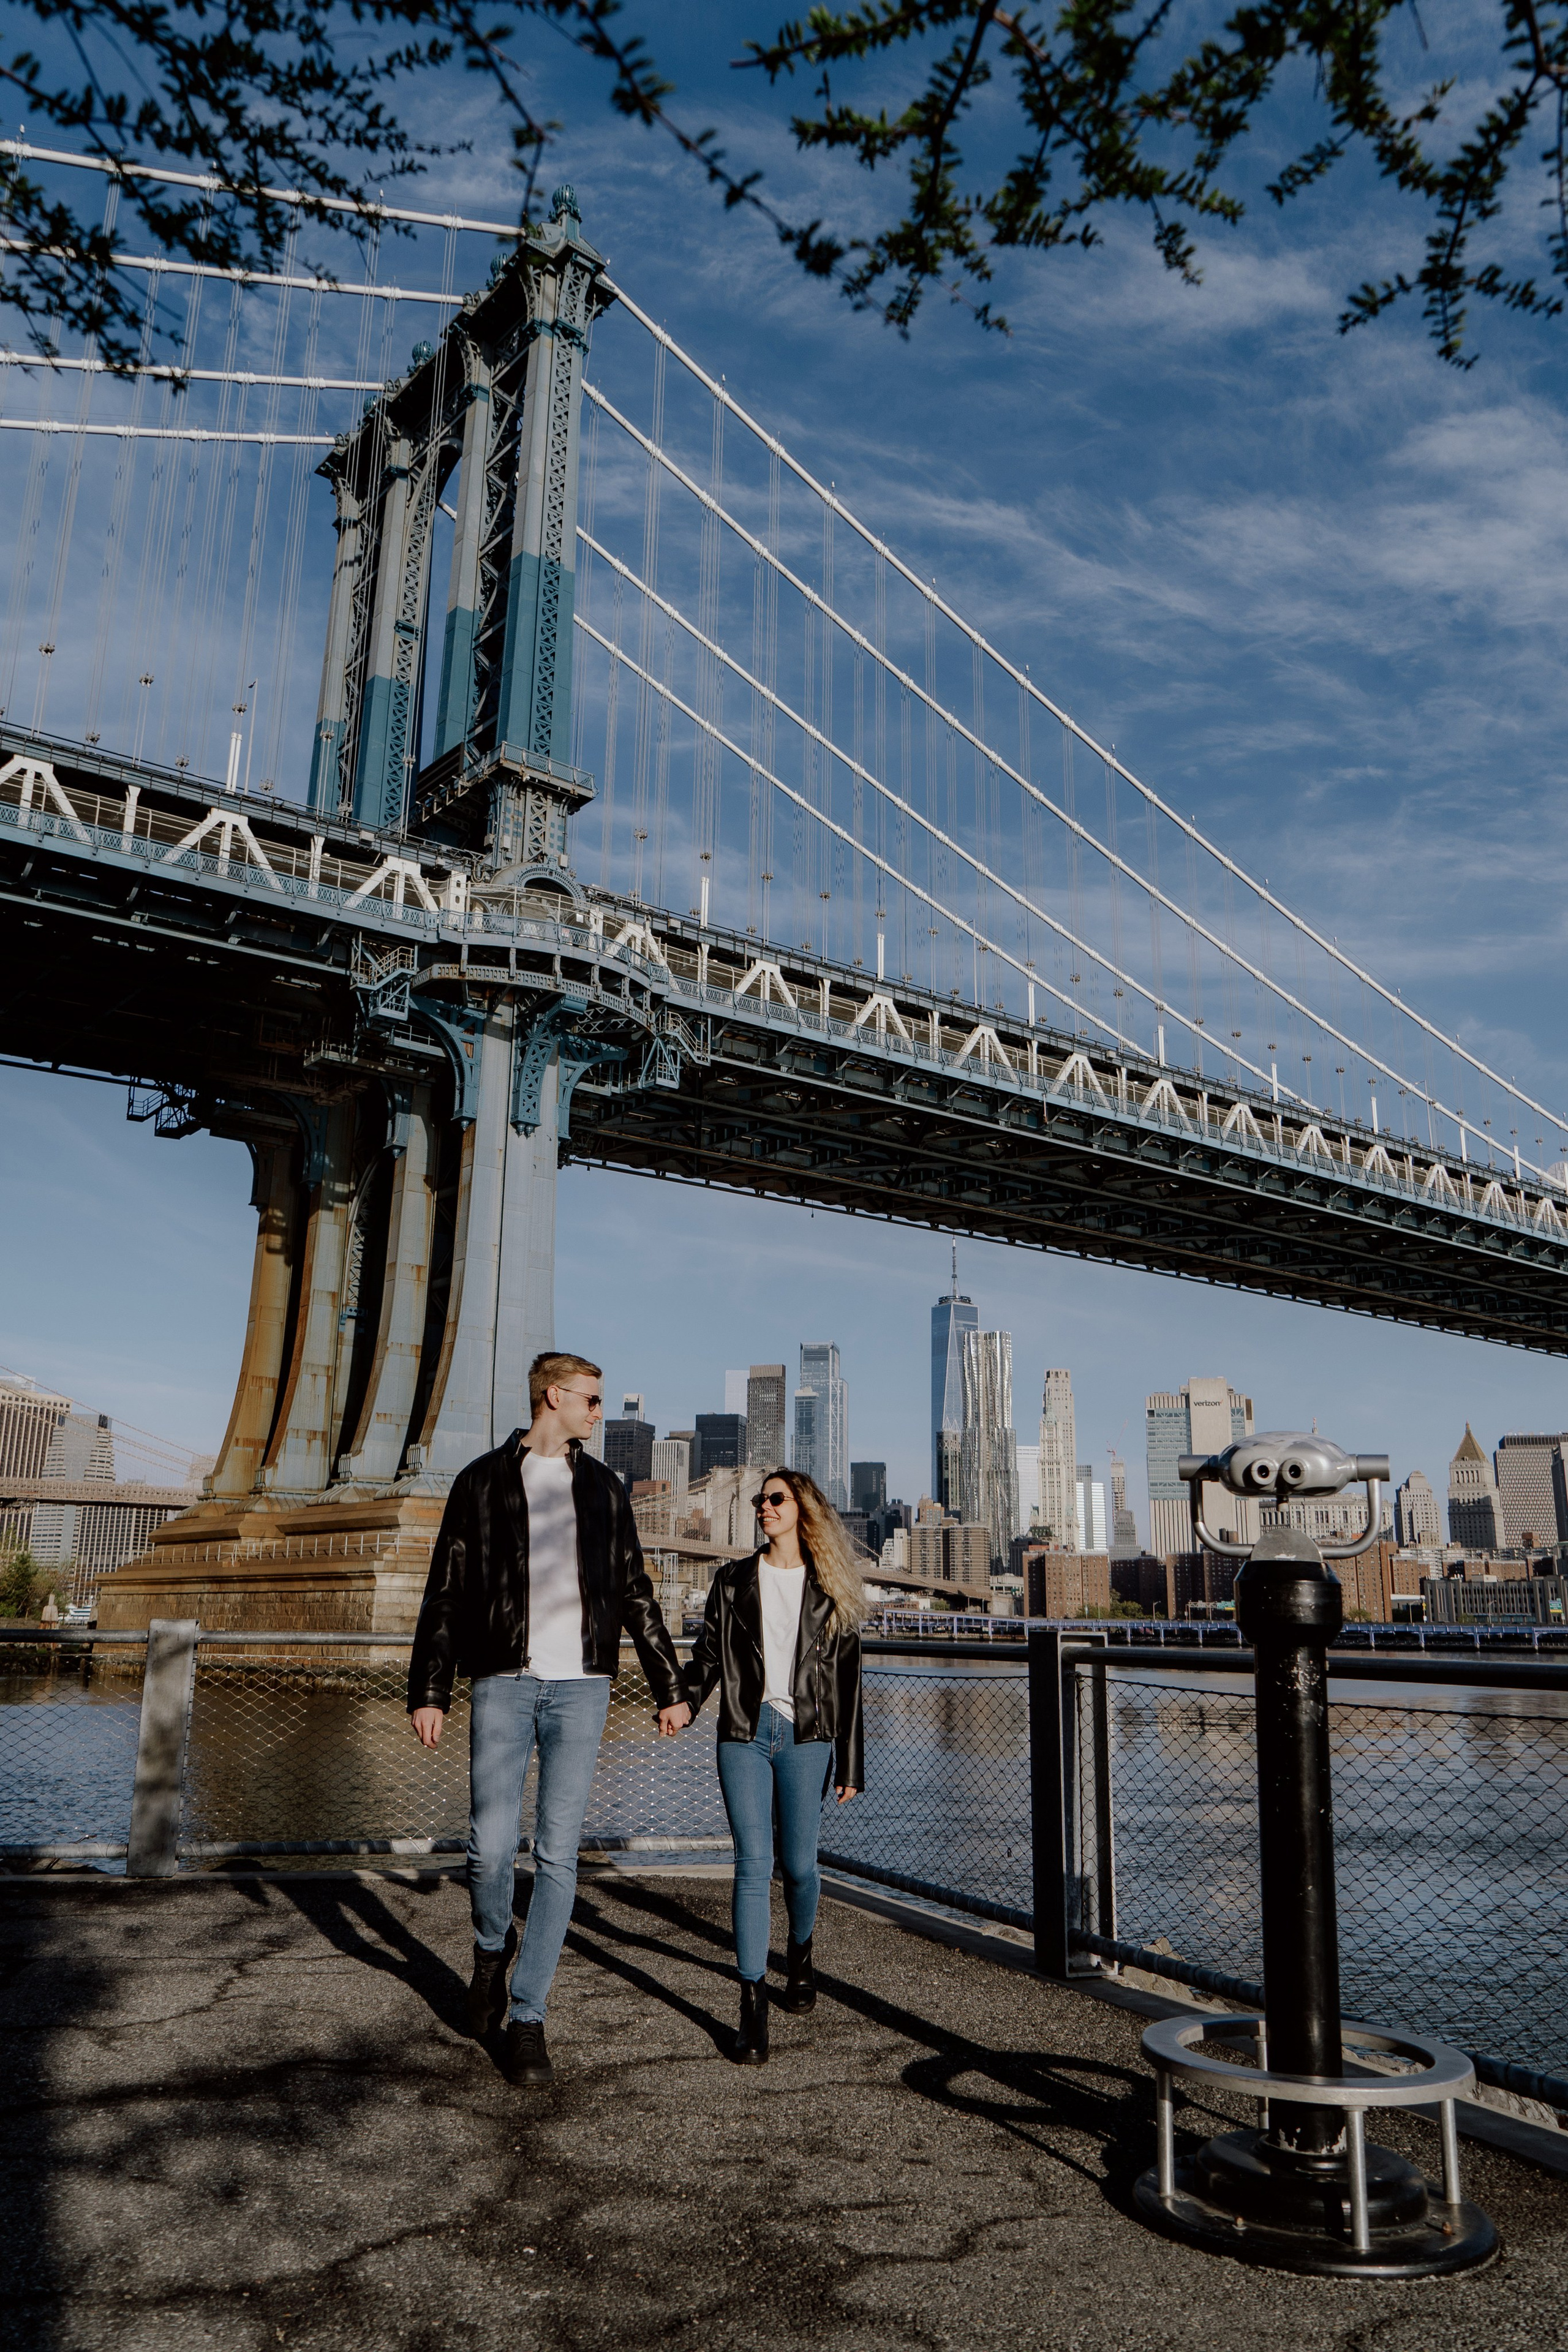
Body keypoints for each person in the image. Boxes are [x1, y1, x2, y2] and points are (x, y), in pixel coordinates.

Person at [407, 1352, 692, 2086]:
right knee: (490, 1849)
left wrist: (668, 1685)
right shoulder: (480, 1481)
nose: (600, 1414)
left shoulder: (603, 1487)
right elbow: (446, 1591)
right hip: (502, 1680)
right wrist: (429, 1687)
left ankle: (529, 2018)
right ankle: (490, 1951)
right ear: (553, 1396)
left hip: (583, 1687)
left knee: (559, 1857)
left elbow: (634, 1590)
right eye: (592, 1401)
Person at [684, 1466, 864, 2064]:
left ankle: (802, 1954)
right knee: (753, 1865)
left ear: (802, 1509)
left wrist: (851, 1764)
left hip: (807, 1736)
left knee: (799, 1866)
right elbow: (708, 1653)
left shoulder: (830, 1585)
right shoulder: (733, 1580)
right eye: (760, 1499)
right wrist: (685, 1700)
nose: (763, 1507)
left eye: (775, 1499)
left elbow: (848, 1683)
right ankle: (752, 2005)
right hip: (743, 1730)